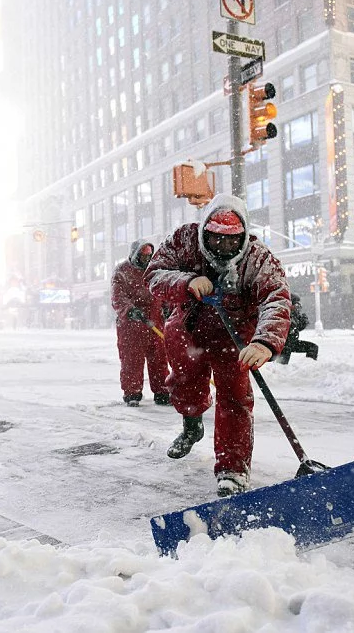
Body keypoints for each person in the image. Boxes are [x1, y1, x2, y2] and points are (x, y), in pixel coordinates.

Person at [145, 194, 291, 497]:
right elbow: (155, 274)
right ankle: (192, 423)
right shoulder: (184, 241)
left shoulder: (258, 259)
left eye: (231, 241)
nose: (223, 248)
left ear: (243, 237)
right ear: (204, 233)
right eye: (215, 240)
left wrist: (264, 342)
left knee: (235, 397)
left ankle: (232, 470)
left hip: (234, 337)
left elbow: (276, 298)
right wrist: (186, 281)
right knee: (185, 381)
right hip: (189, 327)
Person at [110, 239, 171, 407]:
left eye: (149, 256)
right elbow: (117, 297)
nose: (146, 259)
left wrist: (167, 308)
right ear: (135, 254)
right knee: (132, 360)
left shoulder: (154, 270)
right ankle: (132, 393)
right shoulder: (122, 271)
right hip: (131, 325)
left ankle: (162, 392)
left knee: (159, 359)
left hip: (155, 322)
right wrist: (130, 310)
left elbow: (162, 291)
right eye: (143, 256)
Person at [276, 293, 318, 363]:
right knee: (286, 349)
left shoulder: (295, 314)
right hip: (282, 343)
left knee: (313, 347)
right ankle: (281, 368)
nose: (297, 306)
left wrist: (303, 322)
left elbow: (297, 328)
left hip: (292, 342)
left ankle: (309, 365)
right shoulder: (282, 313)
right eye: (295, 304)